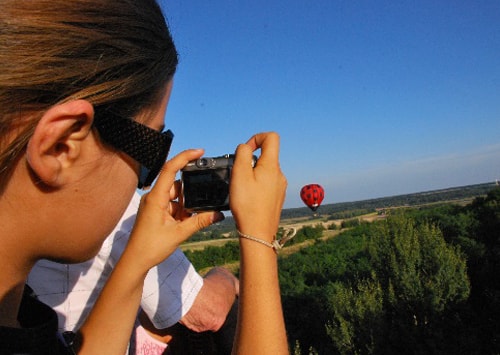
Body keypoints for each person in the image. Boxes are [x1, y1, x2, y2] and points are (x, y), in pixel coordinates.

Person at [0, 0, 289, 354]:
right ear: (62, 146)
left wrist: (139, 255)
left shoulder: (17, 313)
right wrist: (259, 239)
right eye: (151, 151)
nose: (147, 181)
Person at [28, 191, 240, 354]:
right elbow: (207, 313)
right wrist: (226, 275)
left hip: (74, 341)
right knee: (233, 311)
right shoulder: (101, 194)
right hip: (99, 343)